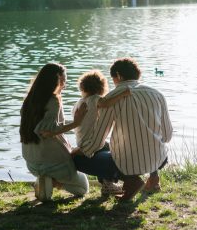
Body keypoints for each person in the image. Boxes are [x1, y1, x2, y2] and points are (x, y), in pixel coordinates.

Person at [73, 57, 173, 202]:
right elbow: (167, 136)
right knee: (148, 139)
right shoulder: (157, 94)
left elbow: (97, 140)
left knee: (79, 160)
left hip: (128, 164)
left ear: (118, 76)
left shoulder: (112, 97)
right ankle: (153, 178)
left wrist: (78, 151)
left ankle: (131, 180)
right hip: (160, 159)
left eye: (113, 78)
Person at [42, 69, 130, 196]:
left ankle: (107, 183)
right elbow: (105, 103)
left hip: (81, 140)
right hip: (90, 141)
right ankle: (108, 183)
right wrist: (123, 94)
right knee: (109, 148)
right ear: (101, 87)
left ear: (82, 87)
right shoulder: (95, 99)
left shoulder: (79, 102)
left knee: (106, 146)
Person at [20, 63, 89, 202]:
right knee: (83, 188)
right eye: (64, 81)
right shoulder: (53, 101)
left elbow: (45, 129)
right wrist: (77, 122)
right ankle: (52, 182)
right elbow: (47, 132)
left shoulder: (29, 99)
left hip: (31, 162)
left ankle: (45, 180)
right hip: (54, 163)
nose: (65, 85)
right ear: (56, 79)